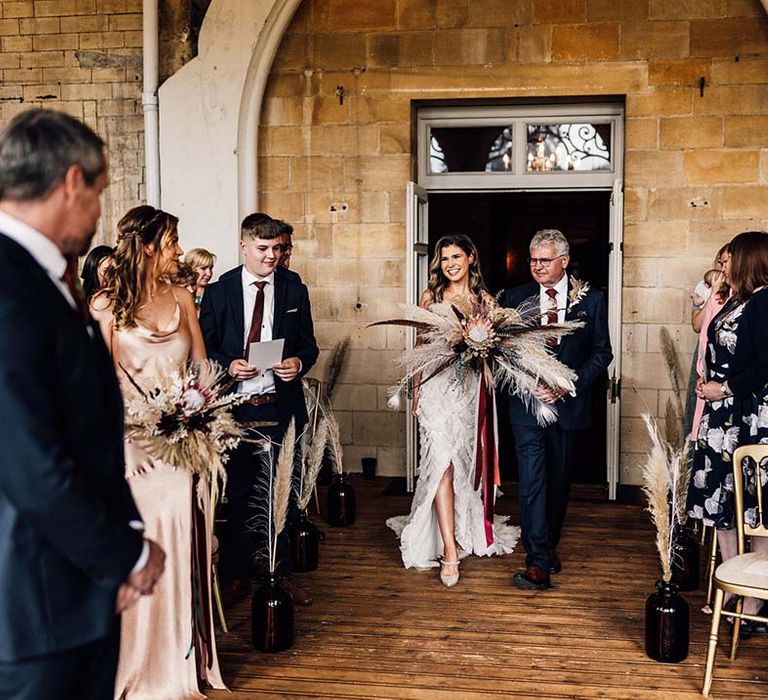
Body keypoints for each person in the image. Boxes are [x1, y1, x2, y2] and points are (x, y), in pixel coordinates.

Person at [0, 109, 164, 699]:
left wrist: (108, 561)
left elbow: (83, 432)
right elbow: (29, 461)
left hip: (72, 592)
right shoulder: (9, 286)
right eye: (96, 193)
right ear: (72, 182)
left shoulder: (42, 278)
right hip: (29, 608)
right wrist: (124, 553)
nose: (98, 214)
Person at [91, 205, 225, 698]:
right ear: (147, 245)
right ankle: (131, 664)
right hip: (132, 454)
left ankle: (179, 663)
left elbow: (202, 370)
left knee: (181, 547)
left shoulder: (185, 298)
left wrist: (201, 411)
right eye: (170, 241)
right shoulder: (105, 306)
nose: (176, 249)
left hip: (181, 449)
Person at [386, 234, 520, 587]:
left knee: (463, 465)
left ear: (471, 257)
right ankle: (448, 549)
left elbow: (495, 355)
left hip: (467, 394)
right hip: (434, 391)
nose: (450, 264)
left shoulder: (485, 301)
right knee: (441, 465)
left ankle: (461, 530)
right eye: (444, 258)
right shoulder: (430, 298)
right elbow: (418, 348)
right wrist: (415, 392)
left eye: (456, 256)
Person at [199, 212, 319, 607]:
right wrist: (229, 365)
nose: (271, 257)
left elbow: (308, 345)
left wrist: (298, 364)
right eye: (263, 249)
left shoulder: (293, 288)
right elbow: (204, 349)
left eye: (276, 249)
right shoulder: (219, 293)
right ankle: (236, 575)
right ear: (244, 246)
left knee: (279, 496)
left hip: (280, 407)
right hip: (234, 410)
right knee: (238, 494)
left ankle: (278, 575)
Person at [502, 229, 612, 590]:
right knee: (532, 481)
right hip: (526, 404)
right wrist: (526, 379)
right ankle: (536, 562)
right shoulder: (515, 298)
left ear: (563, 261)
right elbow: (504, 350)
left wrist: (567, 382)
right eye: (533, 260)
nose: (536, 267)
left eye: (544, 260)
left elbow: (602, 352)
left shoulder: (591, 299)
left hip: (567, 406)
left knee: (559, 481)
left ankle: (547, 546)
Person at [688, 230, 768, 636]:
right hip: (720, 419)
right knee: (720, 502)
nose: (724, 263)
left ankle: (755, 596)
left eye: (731, 257)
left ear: (748, 260)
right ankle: (730, 584)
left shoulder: (764, 301)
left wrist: (725, 388)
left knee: (752, 505)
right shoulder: (736, 300)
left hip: (748, 417)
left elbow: (765, 364)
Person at [688, 245, 730, 440]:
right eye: (720, 262)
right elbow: (697, 324)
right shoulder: (710, 289)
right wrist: (711, 294)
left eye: (726, 262)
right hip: (705, 355)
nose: (722, 268)